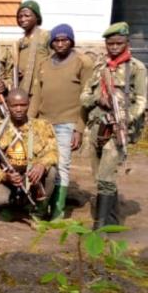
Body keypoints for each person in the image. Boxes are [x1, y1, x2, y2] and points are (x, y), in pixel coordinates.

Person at [80, 22, 147, 228]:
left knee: (105, 176)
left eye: (119, 43)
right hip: (97, 127)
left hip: (119, 128)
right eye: (110, 43)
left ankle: (99, 226)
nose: (115, 47)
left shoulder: (136, 68)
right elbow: (84, 96)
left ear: (127, 43)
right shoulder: (100, 68)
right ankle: (112, 218)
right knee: (99, 175)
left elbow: (141, 101)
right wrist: (97, 99)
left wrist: (126, 119)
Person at [29, 24, 92, 220]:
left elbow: (86, 99)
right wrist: (30, 121)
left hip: (67, 122)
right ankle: (41, 208)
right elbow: (36, 95)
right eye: (56, 40)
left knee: (62, 166)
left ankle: (57, 211)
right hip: (43, 123)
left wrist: (79, 129)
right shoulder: (44, 64)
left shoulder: (83, 63)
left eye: (65, 40)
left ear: (71, 41)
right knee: (40, 164)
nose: (60, 44)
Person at [0, 88, 58, 221]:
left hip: (31, 178)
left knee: (52, 172)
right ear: (7, 106)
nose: (19, 109)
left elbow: (53, 152)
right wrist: (4, 176)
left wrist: (42, 164)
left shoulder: (42, 126)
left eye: (23, 105)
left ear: (28, 104)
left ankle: (38, 211)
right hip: (9, 179)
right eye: (14, 106)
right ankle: (11, 208)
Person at [15, 0, 50, 96]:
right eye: (20, 16)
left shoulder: (46, 36)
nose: (22, 19)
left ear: (37, 17)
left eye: (27, 16)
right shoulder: (20, 42)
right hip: (23, 90)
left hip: (41, 89)